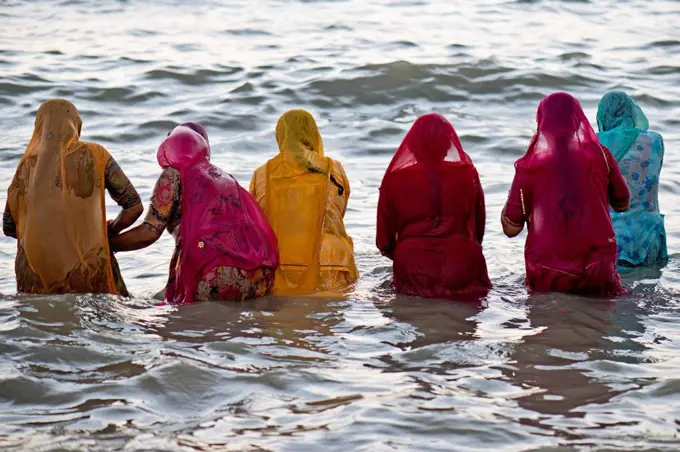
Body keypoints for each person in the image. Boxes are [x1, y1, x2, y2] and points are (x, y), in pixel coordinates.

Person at [110, 123, 279, 304]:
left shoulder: (172, 175)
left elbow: (150, 231)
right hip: (256, 274)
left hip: (210, 274)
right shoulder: (222, 177)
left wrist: (108, 244)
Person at [2, 99, 141, 295]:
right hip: (86, 272)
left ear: (39, 129)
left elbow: (9, 227)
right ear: (77, 126)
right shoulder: (96, 154)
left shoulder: (25, 167)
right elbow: (134, 206)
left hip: (33, 277)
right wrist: (108, 231)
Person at [501, 92, 630, 297]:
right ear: (578, 119)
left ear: (541, 123)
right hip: (597, 269)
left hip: (548, 273)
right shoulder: (601, 155)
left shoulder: (529, 166)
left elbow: (511, 227)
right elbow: (623, 203)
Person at [376, 113, 491, 300]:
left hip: (414, 267)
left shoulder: (395, 178)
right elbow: (479, 229)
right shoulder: (467, 173)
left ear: (412, 146)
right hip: (462, 263)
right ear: (448, 144)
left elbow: (384, 242)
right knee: (464, 324)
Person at [250, 109, 358, 295]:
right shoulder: (334, 168)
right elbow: (338, 212)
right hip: (330, 261)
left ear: (280, 136)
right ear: (313, 134)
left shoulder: (262, 173)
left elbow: (255, 221)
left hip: (277, 264)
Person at [596, 91, 667, 267]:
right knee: (648, 290)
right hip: (650, 234)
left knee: (616, 291)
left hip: (609, 236)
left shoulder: (593, 145)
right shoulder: (655, 140)